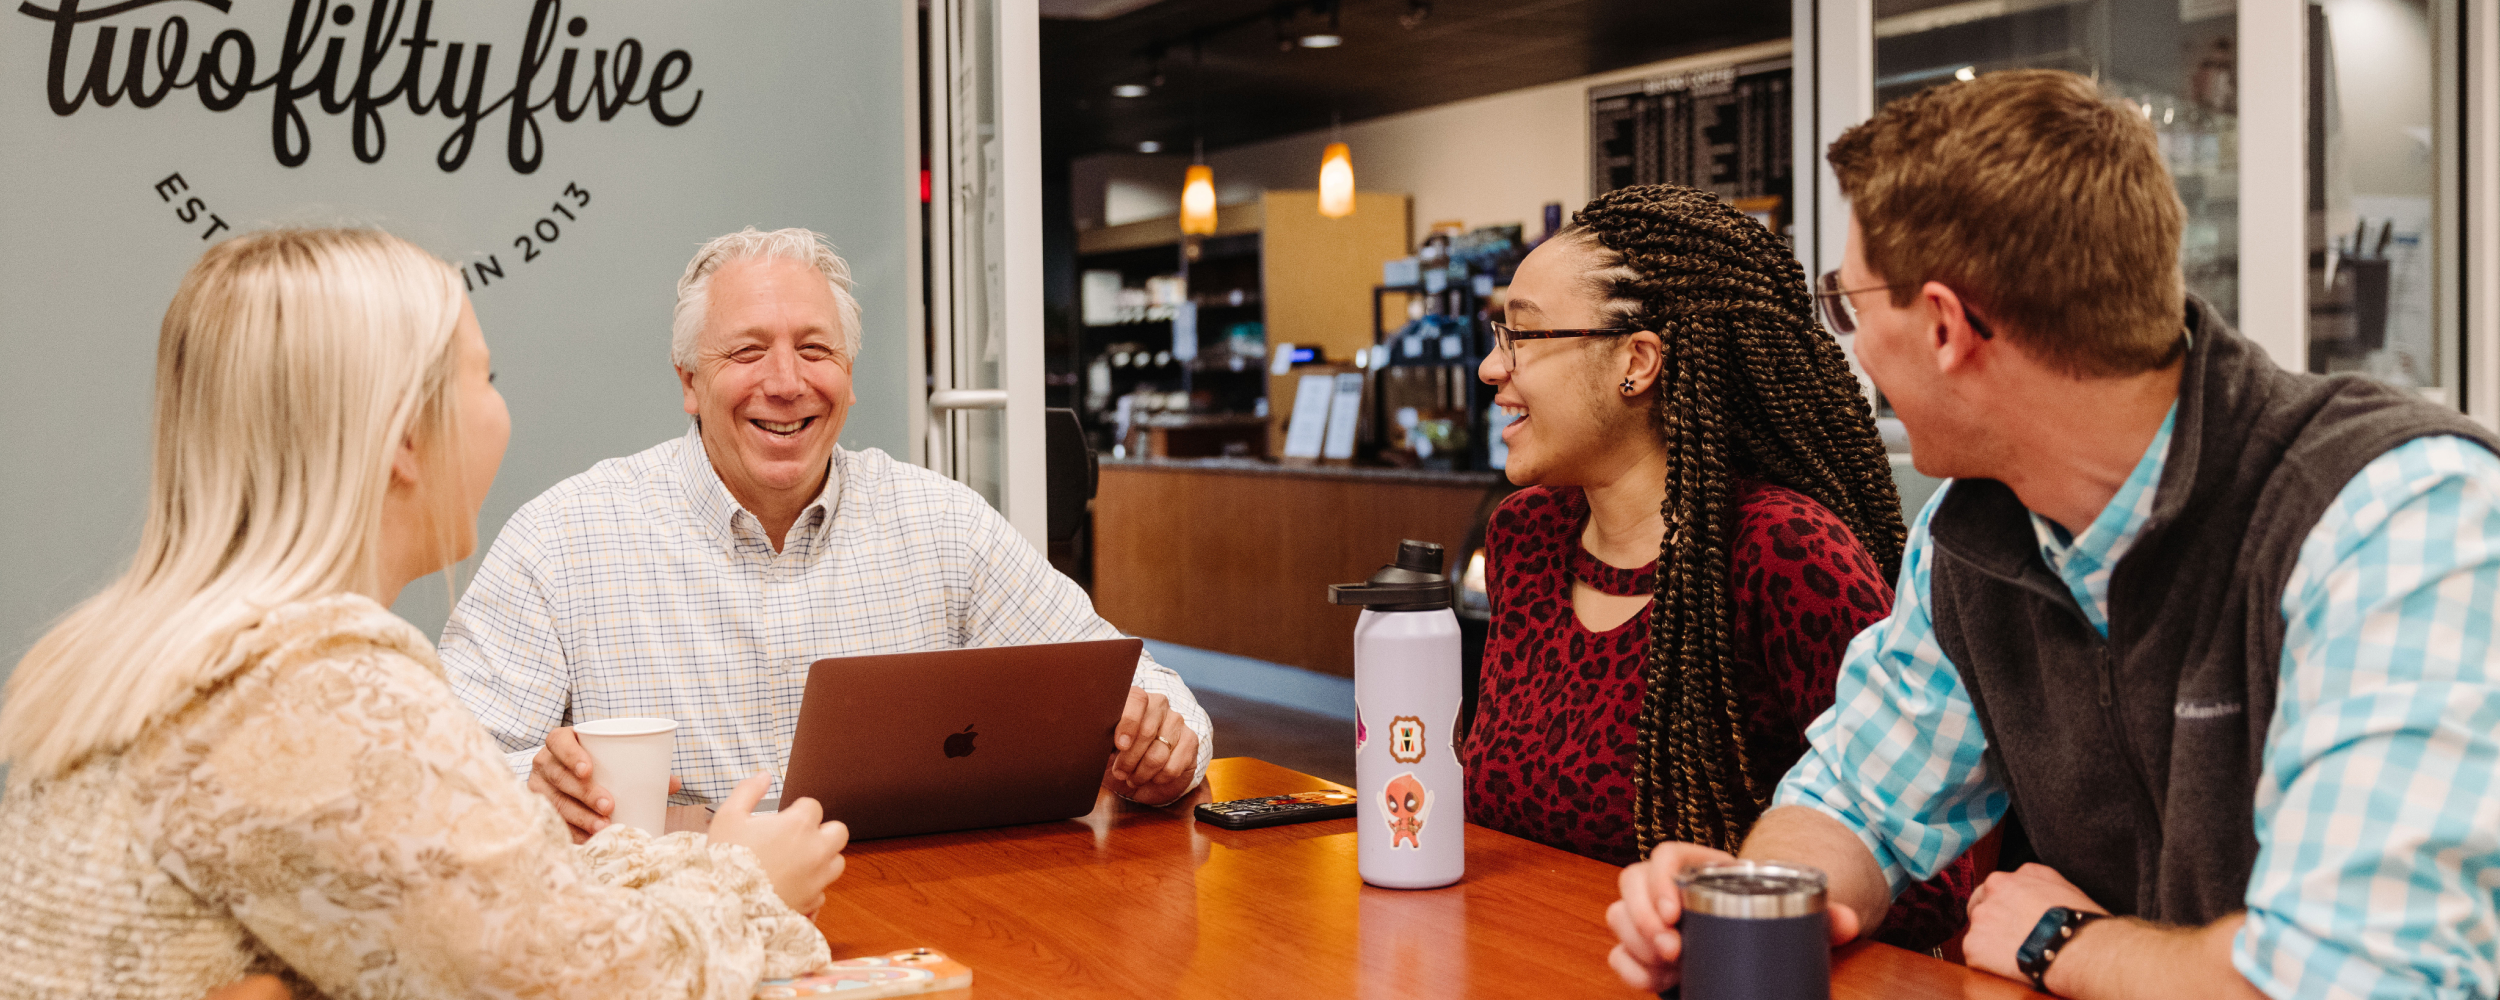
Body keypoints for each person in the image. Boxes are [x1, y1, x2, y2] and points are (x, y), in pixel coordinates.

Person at [1607, 70, 2500, 999]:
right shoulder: (1974, 534)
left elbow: (2367, 979)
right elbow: (1855, 802)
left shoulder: (2396, 513)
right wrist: (1752, 900)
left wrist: (2064, 944)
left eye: (1849, 305)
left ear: (1947, 327)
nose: (1854, 348)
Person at [0, 229, 849, 997]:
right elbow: (570, 983)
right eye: (486, 377)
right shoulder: (315, 688)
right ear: (406, 437)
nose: (498, 408)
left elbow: (473, 901)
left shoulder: (152, 653)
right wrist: (742, 883)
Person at [442, 227, 1212, 842]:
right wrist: (537, 790)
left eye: (815, 349)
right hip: (678, 943)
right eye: (747, 352)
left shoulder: (942, 525)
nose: (786, 382)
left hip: (919, 927)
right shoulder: (563, 539)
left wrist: (1167, 749)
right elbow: (445, 775)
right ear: (687, 383)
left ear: (846, 373)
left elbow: (1142, 688)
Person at [1468, 184, 1974, 952]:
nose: (1488, 368)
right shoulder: (1526, 537)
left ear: (1636, 362)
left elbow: (1928, 885)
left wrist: (1734, 907)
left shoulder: (1786, 554)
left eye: (1522, 338)